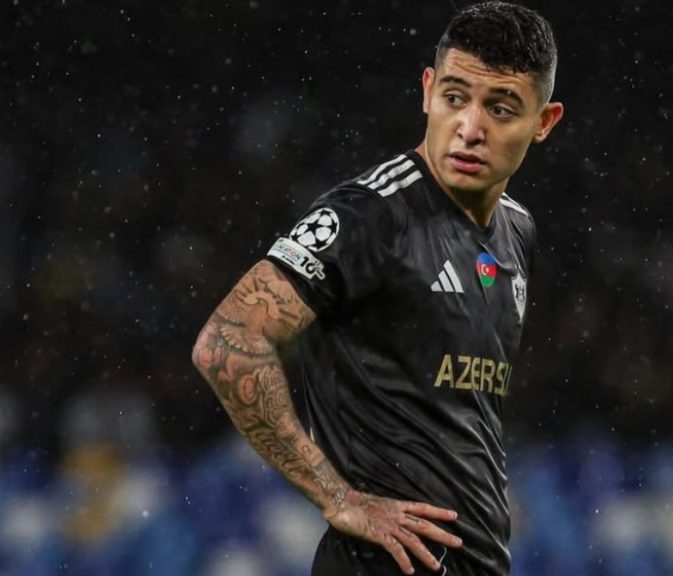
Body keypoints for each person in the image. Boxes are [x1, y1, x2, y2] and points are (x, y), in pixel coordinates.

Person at [191, 2, 564, 574]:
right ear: (427, 91)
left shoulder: (517, 230)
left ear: (544, 121)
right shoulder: (372, 214)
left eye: (500, 108)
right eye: (455, 97)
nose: (470, 129)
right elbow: (226, 343)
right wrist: (337, 497)